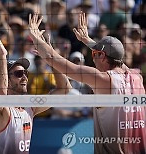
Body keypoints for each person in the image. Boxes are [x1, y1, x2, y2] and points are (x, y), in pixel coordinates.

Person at [28, 13, 146, 154]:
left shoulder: (105, 80)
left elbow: (62, 64)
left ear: (102, 56)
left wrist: (35, 37)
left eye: (95, 54)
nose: (93, 59)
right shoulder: (136, 77)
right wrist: (89, 42)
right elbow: (118, 61)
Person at [0, 33, 73, 154]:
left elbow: (65, 88)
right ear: (7, 80)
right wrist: (2, 55)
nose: (24, 78)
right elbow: (1, 95)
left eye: (26, 74)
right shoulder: (0, 110)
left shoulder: (29, 108)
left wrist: (51, 57)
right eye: (18, 74)